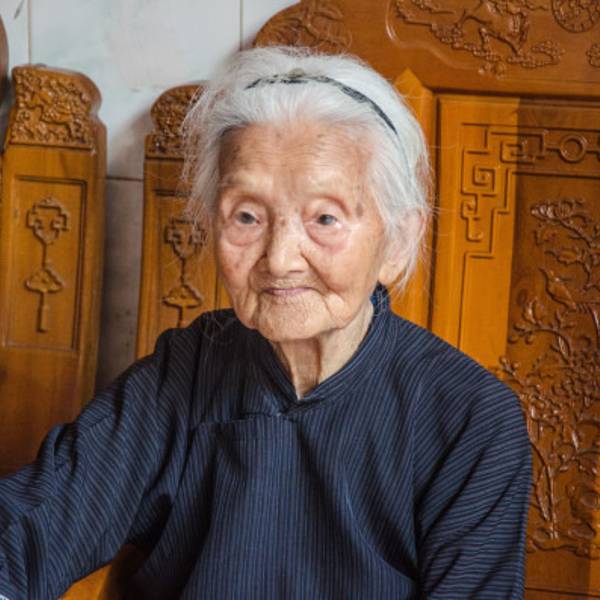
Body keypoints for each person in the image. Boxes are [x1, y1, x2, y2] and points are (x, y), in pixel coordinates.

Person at [0, 46, 531, 599]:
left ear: (396, 243)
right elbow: (28, 534)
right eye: (247, 216)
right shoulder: (184, 372)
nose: (279, 260)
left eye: (324, 218)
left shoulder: (468, 420)